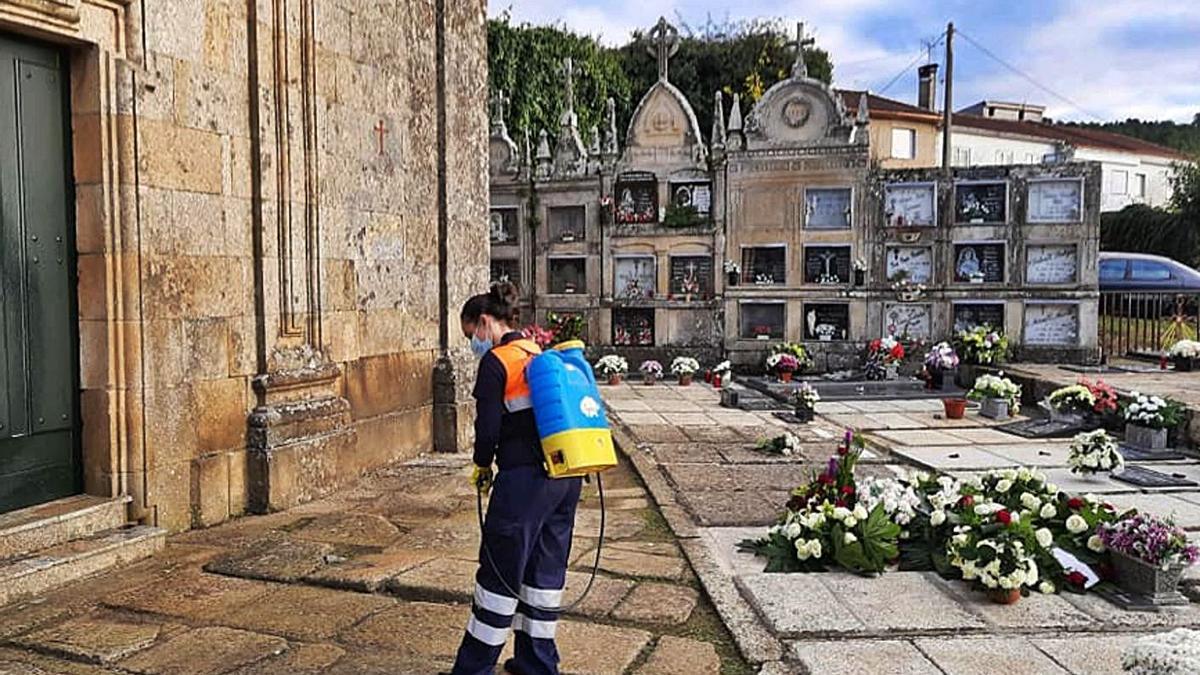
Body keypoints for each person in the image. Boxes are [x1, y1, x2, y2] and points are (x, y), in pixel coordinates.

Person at [449, 282, 583, 675]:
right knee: (543, 573)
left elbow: (488, 429)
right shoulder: (537, 354)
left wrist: (481, 464)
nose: (473, 342)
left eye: (472, 334)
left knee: (498, 575)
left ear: (486, 322)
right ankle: (536, 663)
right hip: (564, 477)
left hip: (524, 482)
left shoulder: (497, 361)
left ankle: (472, 670)